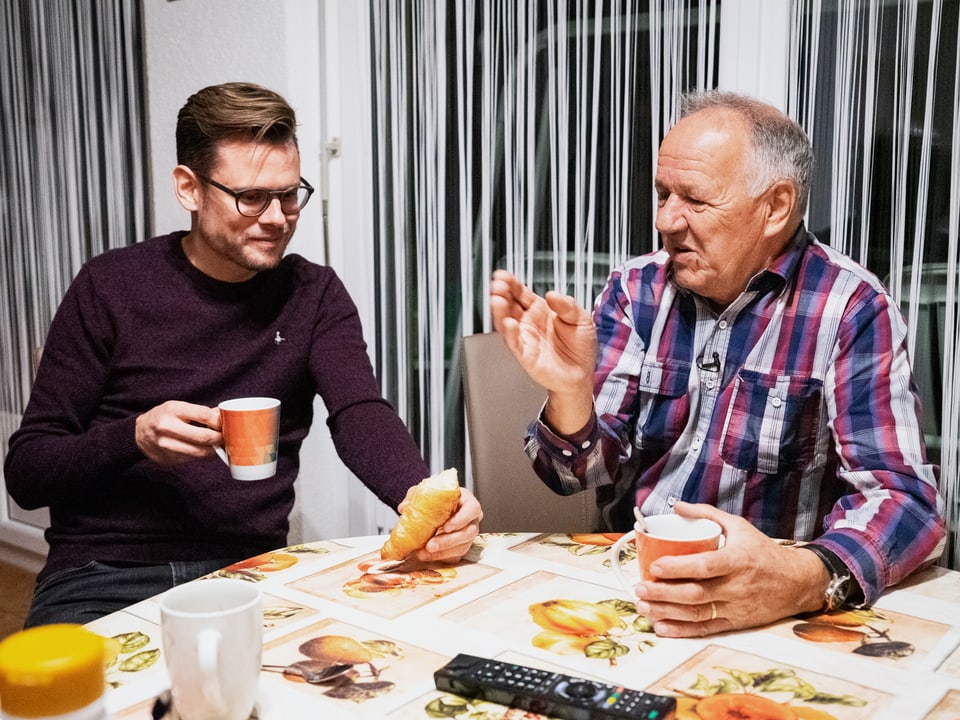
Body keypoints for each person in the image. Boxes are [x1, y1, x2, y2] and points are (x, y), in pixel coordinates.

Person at [4, 82, 482, 627]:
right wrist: (133, 436)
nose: (278, 218)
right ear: (189, 188)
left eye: (289, 193)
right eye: (252, 197)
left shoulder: (314, 293)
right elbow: (27, 470)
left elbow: (359, 413)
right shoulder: (110, 285)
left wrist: (421, 497)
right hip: (104, 571)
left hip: (251, 568)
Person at [490, 90, 945, 638]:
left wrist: (802, 579)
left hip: (771, 610)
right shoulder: (636, 290)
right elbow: (576, 477)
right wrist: (569, 396)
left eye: (696, 201)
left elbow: (905, 502)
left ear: (775, 206)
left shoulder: (850, 308)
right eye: (662, 194)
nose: (667, 220)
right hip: (636, 587)